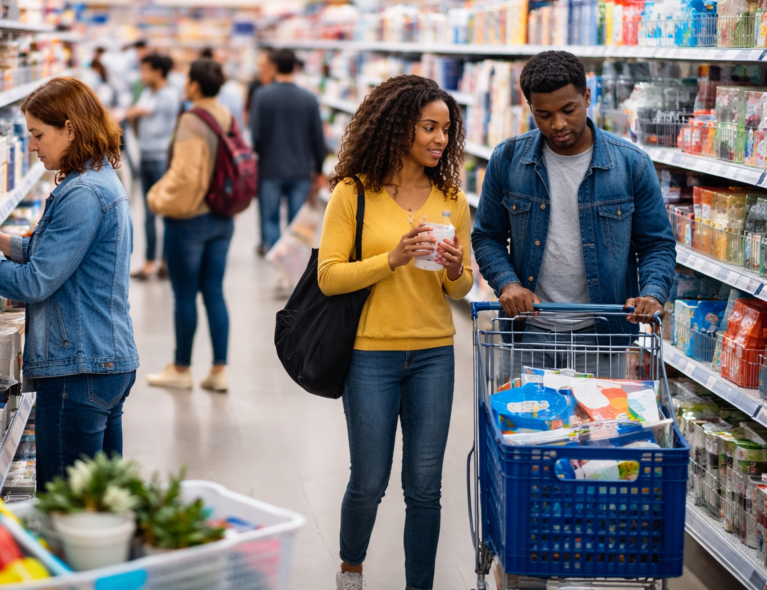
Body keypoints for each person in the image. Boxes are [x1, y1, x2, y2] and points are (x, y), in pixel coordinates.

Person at [0, 77, 139, 487]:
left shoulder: (83, 193)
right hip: (105, 358)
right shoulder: (99, 180)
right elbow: (75, 255)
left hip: (79, 368)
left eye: (39, 135)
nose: (33, 146)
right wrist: (6, 243)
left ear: (70, 129)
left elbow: (35, 283)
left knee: (65, 503)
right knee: (101, 500)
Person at [318, 75, 472, 590]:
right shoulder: (352, 193)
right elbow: (330, 275)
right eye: (429, 127)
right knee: (368, 482)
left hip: (434, 353)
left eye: (446, 130)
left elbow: (463, 288)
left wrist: (454, 270)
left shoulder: (451, 197)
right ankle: (351, 570)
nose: (440, 139)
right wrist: (393, 257)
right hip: (370, 356)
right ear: (398, 126)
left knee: (426, 487)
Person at [471, 50, 676, 384]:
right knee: (521, 431)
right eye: (544, 114)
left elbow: (656, 244)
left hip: (601, 336)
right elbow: (487, 236)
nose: (558, 124)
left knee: (594, 433)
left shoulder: (631, 164)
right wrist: (507, 283)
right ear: (530, 108)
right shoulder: (507, 159)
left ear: (587, 96)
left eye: (568, 110)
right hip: (528, 333)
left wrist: (652, 293)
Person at [143, 59, 236, 393]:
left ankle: (181, 368)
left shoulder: (191, 120)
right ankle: (218, 370)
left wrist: (156, 200)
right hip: (223, 217)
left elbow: (185, 176)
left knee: (184, 294)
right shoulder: (226, 115)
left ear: (195, 85)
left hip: (190, 220)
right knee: (214, 292)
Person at [249, 48, 326, 255]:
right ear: (295, 67)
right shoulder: (309, 98)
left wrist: (259, 156)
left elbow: (256, 134)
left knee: (271, 218)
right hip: (300, 169)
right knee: (296, 222)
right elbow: (318, 138)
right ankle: (292, 264)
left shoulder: (262, 96)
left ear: (274, 67)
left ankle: (277, 259)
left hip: (270, 168)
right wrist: (318, 169)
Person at [126, 53, 180, 280]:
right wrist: (137, 115)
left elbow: (157, 128)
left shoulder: (168, 96)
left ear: (158, 71)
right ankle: (149, 262)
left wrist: (137, 114)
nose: (142, 75)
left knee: (165, 212)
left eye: (146, 70)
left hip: (161, 159)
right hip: (145, 155)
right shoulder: (147, 93)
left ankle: (167, 262)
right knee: (148, 214)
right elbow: (133, 117)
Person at [244, 48, 276, 125]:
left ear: (272, 66)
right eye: (258, 64)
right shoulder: (253, 86)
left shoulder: (277, 86)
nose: (259, 68)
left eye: (263, 65)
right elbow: (247, 110)